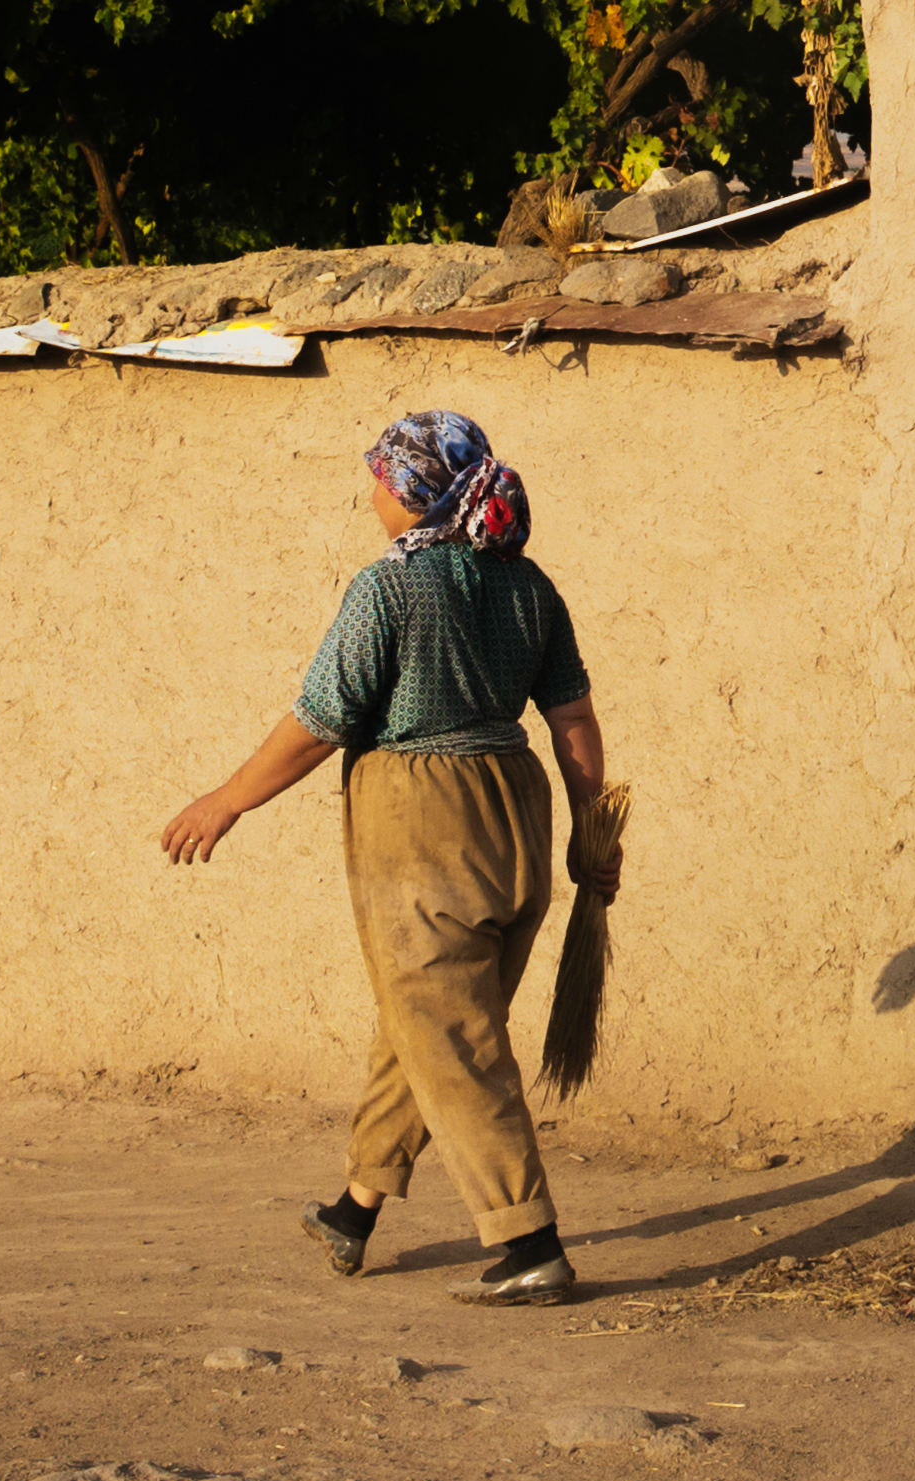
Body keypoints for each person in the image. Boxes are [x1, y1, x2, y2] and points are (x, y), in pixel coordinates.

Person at [160, 410, 618, 1304]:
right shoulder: (531, 589)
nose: (368, 491)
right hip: (514, 813)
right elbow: (572, 719)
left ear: (414, 493)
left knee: (452, 1034)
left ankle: (529, 1242)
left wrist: (226, 801)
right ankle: (355, 1208)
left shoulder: (388, 590)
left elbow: (318, 724)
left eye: (378, 476)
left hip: (425, 825)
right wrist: (586, 826)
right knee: (428, 1020)